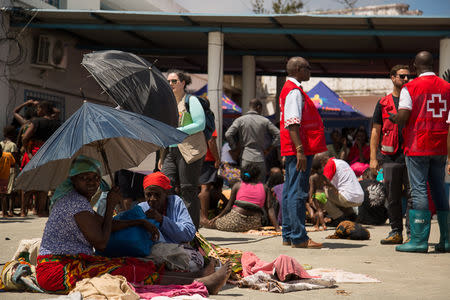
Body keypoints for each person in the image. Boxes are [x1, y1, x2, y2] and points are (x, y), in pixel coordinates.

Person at [36, 155, 231, 295]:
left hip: (71, 262)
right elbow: (101, 243)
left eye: (95, 178)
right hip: (57, 270)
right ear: (73, 180)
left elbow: (107, 224)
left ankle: (196, 277)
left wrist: (141, 222)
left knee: (135, 263)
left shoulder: (176, 202)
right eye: (84, 178)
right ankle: (199, 282)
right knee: (128, 271)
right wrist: (113, 204)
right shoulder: (75, 203)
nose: (92, 182)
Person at [391, 51, 450, 253]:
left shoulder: (410, 87)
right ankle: (447, 240)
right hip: (440, 145)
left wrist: (395, 118)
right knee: (439, 189)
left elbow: (404, 115)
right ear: (432, 65)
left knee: (419, 190)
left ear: (415, 66)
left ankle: (418, 240)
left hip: (417, 145)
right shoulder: (447, 87)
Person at [279, 57, 327, 248]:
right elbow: (293, 123)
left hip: (293, 147)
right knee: (297, 192)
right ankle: (299, 237)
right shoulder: (294, 91)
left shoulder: (290, 89)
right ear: (298, 69)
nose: (309, 71)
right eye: (307, 68)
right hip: (298, 148)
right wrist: (300, 150)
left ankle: (289, 235)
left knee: (290, 191)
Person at [369, 64, 412, 244]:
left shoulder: (413, 100)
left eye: (408, 77)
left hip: (411, 155)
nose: (406, 80)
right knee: (392, 196)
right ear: (392, 78)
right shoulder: (383, 103)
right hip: (390, 157)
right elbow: (375, 132)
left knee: (413, 196)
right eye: (402, 76)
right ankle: (396, 232)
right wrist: (373, 158)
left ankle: (413, 233)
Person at [160, 70, 207, 229]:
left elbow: (200, 124)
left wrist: (178, 132)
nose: (170, 84)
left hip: (189, 150)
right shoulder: (168, 103)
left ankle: (191, 230)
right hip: (170, 151)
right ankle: (172, 225)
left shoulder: (191, 100)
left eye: (174, 81)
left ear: (183, 83)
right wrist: (162, 155)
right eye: (168, 81)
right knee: (165, 186)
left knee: (188, 189)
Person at [208, 163, 280, 232]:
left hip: (235, 221)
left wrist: (217, 217)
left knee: (211, 224)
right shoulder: (265, 187)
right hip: (254, 223)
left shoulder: (238, 185)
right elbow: (270, 208)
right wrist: (277, 228)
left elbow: (228, 207)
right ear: (258, 176)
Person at [225, 98, 280, 182]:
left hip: (246, 159)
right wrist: (270, 148)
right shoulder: (265, 121)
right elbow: (279, 134)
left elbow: (228, 134)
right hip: (260, 159)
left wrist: (234, 148)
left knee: (246, 182)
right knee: (260, 184)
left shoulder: (240, 120)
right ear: (258, 107)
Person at [22, 101, 61, 217]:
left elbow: (25, 137)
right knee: (44, 185)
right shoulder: (56, 124)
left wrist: (27, 151)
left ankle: (23, 211)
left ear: (44, 109)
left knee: (27, 183)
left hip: (34, 152)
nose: (37, 110)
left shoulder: (36, 122)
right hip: (48, 154)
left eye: (39, 108)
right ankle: (41, 210)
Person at [138, 171, 196, 244]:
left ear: (166, 193)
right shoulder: (142, 208)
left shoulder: (175, 202)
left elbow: (189, 232)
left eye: (157, 194)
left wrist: (162, 220)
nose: (152, 199)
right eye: (148, 195)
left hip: (176, 250)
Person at [314, 152, 364, 227]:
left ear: (322, 161)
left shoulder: (329, 164)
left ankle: (338, 217)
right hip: (359, 197)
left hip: (348, 198)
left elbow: (324, 183)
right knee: (338, 191)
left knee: (319, 194)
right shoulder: (341, 162)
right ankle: (350, 214)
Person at [198, 129, 221, 227]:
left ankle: (198, 216)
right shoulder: (209, 123)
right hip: (207, 159)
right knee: (205, 188)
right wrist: (217, 158)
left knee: (196, 188)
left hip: (195, 157)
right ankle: (204, 218)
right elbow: (211, 141)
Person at [1, 126, 19, 217]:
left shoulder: (1, 143)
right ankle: (10, 210)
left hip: (2, 169)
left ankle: (4, 210)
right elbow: (14, 159)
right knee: (11, 191)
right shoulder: (13, 145)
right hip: (10, 170)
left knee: (3, 192)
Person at [0, 144, 15, 218]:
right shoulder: (8, 155)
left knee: (3, 196)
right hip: (4, 178)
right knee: (3, 196)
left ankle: (4, 212)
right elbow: (13, 164)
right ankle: (4, 213)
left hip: (4, 178)